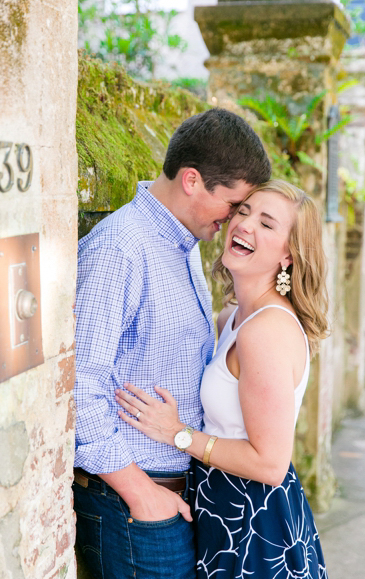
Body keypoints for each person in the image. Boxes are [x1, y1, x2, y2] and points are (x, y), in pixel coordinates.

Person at [72, 107, 271, 579]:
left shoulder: (180, 246)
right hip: (132, 504)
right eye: (234, 205)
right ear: (192, 181)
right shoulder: (120, 248)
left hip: (170, 496)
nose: (236, 220)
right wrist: (141, 493)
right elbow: (79, 384)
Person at [115, 179, 330, 579]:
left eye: (267, 224)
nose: (245, 225)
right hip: (222, 506)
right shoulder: (231, 316)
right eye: (244, 212)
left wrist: (177, 434)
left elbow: (270, 465)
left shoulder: (264, 332)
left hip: (255, 521)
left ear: (289, 255)